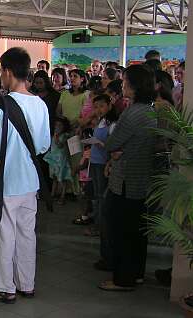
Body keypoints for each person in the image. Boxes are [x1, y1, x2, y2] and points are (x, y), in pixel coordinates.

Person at [0, 47, 51, 304]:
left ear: (9, 72)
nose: (1, 77)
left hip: (7, 182)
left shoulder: (2, 106)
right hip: (30, 181)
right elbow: (43, 145)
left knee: (3, 234)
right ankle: (27, 284)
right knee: (27, 233)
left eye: (1, 72)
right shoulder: (40, 104)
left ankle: (4, 288)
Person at [99, 64, 157, 292]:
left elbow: (112, 143)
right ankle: (136, 273)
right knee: (137, 232)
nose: (122, 84)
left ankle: (123, 278)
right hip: (141, 179)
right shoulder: (150, 110)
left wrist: (114, 151)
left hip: (126, 180)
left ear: (133, 86)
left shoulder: (132, 112)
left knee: (121, 230)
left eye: (125, 81)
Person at [88, 94, 119, 271]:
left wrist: (101, 144)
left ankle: (101, 226)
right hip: (96, 161)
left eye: (101, 106)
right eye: (96, 106)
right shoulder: (100, 121)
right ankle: (98, 225)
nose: (98, 110)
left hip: (104, 163)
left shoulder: (112, 123)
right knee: (97, 195)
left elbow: (113, 145)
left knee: (102, 196)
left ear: (109, 105)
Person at [43, 116, 72, 204]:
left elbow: (60, 145)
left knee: (61, 178)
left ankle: (62, 196)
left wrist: (56, 137)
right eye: (56, 125)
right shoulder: (53, 135)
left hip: (61, 160)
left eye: (60, 125)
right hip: (53, 159)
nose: (57, 127)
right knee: (54, 177)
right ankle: (52, 194)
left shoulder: (64, 136)